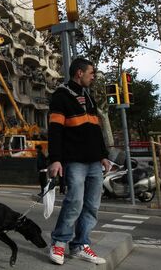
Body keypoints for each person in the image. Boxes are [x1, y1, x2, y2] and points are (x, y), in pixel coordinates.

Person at [47, 58, 110, 265]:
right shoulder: (61, 96)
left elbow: (95, 131)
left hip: (94, 162)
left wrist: (103, 155)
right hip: (74, 161)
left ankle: (80, 245)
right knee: (74, 202)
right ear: (79, 73)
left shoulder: (88, 97)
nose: (93, 77)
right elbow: (55, 131)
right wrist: (55, 160)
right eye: (91, 73)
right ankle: (59, 242)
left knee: (92, 205)